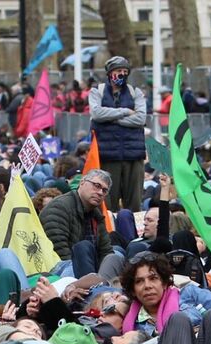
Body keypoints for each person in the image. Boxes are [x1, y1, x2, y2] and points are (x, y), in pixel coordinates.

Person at [88, 56, 147, 211]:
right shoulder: (97, 92)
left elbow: (140, 118)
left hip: (133, 155)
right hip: (107, 155)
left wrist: (111, 119)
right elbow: (96, 114)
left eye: (124, 71)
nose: (121, 74)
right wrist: (125, 112)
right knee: (107, 202)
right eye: (118, 71)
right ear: (109, 73)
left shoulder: (136, 93)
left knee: (134, 203)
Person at [39, 168, 113, 276]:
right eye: (96, 186)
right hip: (61, 271)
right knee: (83, 247)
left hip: (90, 269)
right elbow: (59, 251)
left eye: (104, 190)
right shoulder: (60, 207)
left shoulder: (96, 215)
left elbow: (105, 250)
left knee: (116, 255)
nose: (100, 192)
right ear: (82, 182)